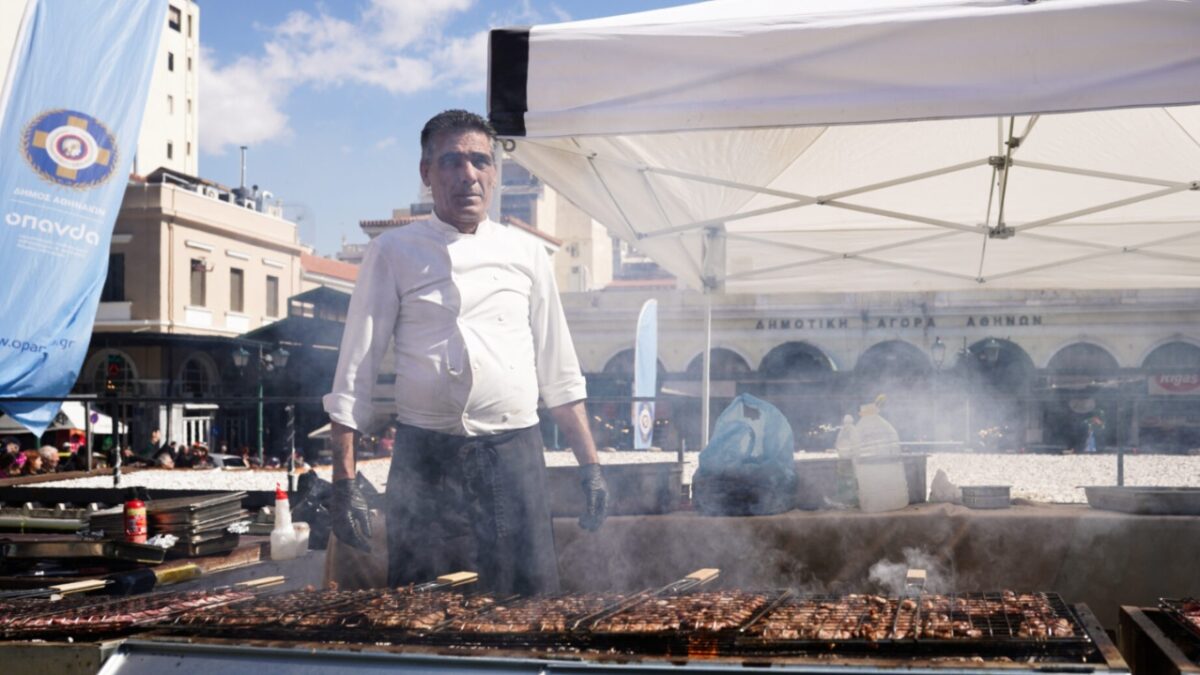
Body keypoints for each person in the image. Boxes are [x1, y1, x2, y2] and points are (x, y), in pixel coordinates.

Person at [323, 110, 608, 595]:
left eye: (480, 161)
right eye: (452, 161)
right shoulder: (393, 251)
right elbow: (356, 370)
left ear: (494, 173)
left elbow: (559, 373)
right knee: (424, 614)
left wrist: (592, 468)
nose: (468, 175)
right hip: (426, 462)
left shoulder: (528, 254)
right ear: (426, 173)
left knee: (527, 608)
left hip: (515, 458)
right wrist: (344, 480)